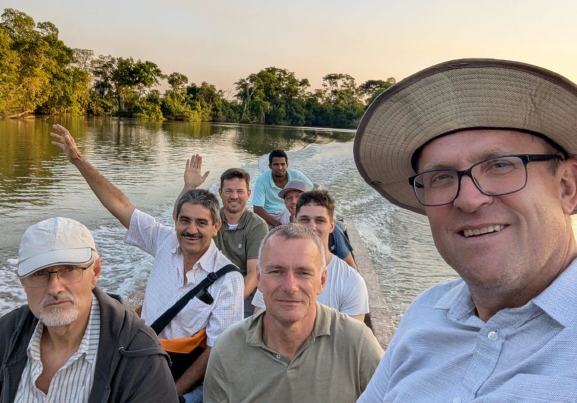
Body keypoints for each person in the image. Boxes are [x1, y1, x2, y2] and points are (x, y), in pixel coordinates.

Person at [355, 59, 577, 401]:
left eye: (500, 165)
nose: (469, 199)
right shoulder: (426, 312)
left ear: (567, 187)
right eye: (441, 177)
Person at [49, 125, 244, 402]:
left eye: (201, 223)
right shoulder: (164, 242)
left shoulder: (228, 279)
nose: (191, 230)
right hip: (142, 359)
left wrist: (171, 392)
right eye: (185, 220)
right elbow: (120, 205)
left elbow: (216, 351)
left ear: (216, 227)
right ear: (176, 221)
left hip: (183, 379)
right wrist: (78, 160)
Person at [0, 217, 178, 402]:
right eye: (39, 273)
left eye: (69, 269)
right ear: (22, 281)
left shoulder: (139, 354)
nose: (54, 288)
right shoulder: (5, 334)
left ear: (96, 272)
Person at [204, 225, 383, 403]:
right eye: (277, 271)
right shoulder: (227, 349)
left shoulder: (357, 344)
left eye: (303, 273)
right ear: (259, 278)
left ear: (321, 281)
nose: (290, 287)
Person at [172, 155, 268, 317]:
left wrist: (228, 303)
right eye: (229, 191)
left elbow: (253, 274)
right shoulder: (211, 219)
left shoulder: (257, 226)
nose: (234, 196)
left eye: (240, 191)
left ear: (248, 194)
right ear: (220, 193)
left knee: (235, 325)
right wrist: (189, 186)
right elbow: (179, 218)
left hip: (242, 292)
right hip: (207, 285)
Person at [253, 189, 369, 321]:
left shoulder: (351, 281)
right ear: (295, 222)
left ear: (332, 225)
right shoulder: (273, 273)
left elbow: (351, 333)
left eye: (320, 221)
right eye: (305, 220)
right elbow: (259, 322)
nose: (312, 227)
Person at [279, 181, 357, 269]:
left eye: (299, 196)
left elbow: (350, 264)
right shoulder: (282, 224)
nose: (294, 201)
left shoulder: (332, 230)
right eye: (289, 198)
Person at [253, 150, 313, 228]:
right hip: (269, 214)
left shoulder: (297, 176)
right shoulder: (262, 180)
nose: (280, 168)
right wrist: (277, 225)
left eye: (282, 164)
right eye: (276, 164)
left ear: (287, 165)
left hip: (289, 210)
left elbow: (312, 190)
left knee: (295, 221)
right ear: (270, 166)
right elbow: (257, 208)